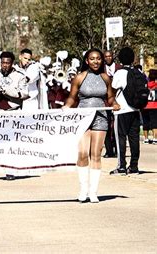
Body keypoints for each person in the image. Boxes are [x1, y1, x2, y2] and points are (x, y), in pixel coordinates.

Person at [63, 48, 120, 203]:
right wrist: (66, 107)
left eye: (98, 59)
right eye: (92, 59)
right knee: (82, 153)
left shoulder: (105, 78)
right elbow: (71, 98)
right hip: (83, 117)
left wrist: (114, 103)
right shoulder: (79, 78)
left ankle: (93, 192)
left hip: (101, 118)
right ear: (87, 61)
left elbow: (110, 97)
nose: (96, 61)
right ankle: (83, 189)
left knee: (96, 154)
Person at [0, 51, 28, 181]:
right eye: (3, 63)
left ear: (12, 63)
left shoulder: (20, 76)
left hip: (14, 111)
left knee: (12, 141)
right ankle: (4, 167)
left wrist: (6, 90)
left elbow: (24, 94)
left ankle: (11, 169)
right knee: (1, 141)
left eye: (7, 63)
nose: (5, 65)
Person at [109, 47, 141, 175]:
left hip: (122, 110)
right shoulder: (138, 72)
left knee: (120, 138)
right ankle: (134, 167)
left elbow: (113, 88)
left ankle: (121, 166)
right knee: (134, 139)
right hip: (136, 109)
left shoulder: (120, 73)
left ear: (120, 59)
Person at [102, 50, 120, 158]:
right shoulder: (101, 69)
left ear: (113, 57)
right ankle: (109, 150)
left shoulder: (119, 68)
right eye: (106, 56)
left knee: (118, 127)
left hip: (118, 100)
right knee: (106, 126)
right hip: (105, 101)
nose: (108, 58)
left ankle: (118, 149)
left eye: (110, 56)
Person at [142, 69, 157, 144]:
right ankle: (154, 138)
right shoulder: (156, 85)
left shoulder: (145, 85)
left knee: (145, 122)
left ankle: (146, 138)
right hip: (154, 106)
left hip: (145, 106)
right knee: (155, 122)